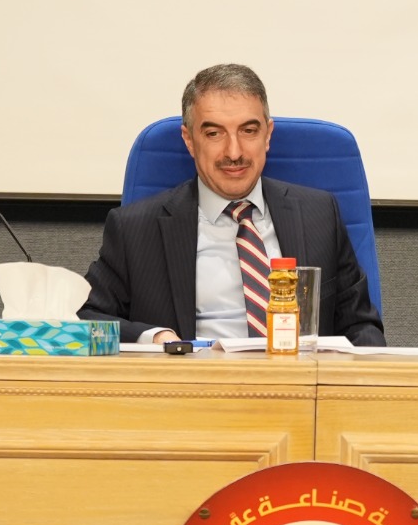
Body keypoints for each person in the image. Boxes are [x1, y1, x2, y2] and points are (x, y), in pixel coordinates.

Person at [83, 64, 386, 345]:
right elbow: (84, 319)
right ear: (189, 140)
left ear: (267, 135)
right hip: (197, 381)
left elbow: (362, 327)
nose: (234, 152)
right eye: (214, 133)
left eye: (248, 131)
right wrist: (155, 337)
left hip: (298, 381)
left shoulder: (320, 214)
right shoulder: (135, 229)